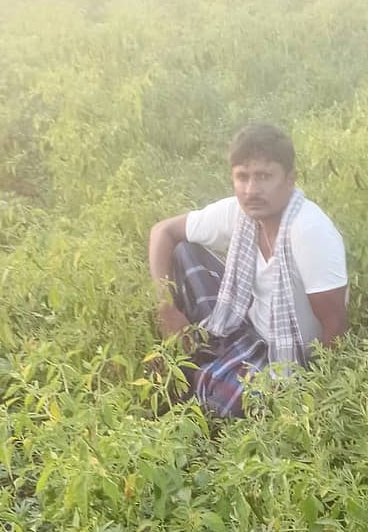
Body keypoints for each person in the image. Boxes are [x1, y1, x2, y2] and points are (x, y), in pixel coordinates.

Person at [148, 124, 348, 417]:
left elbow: (336, 326)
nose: (251, 190)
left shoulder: (309, 231)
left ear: (290, 179)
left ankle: (204, 378)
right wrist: (167, 308)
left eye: (264, 177)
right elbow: (163, 231)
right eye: (242, 177)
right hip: (244, 322)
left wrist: (315, 397)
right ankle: (200, 361)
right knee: (183, 251)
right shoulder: (237, 213)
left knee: (219, 397)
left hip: (287, 355)